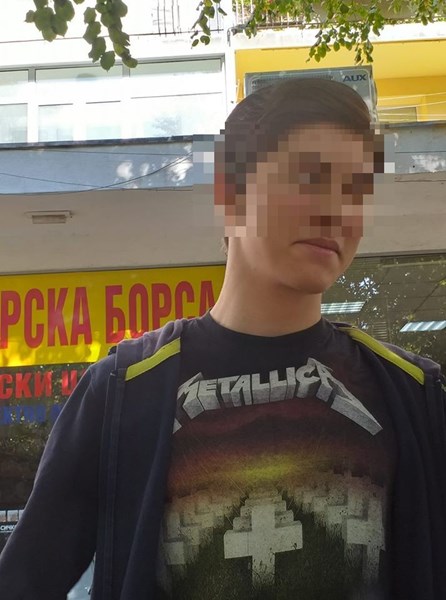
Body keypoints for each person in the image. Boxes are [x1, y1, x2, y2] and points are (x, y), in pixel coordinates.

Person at [0, 78, 445, 600]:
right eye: (310, 178)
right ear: (229, 197)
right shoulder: (124, 390)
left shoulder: (411, 393)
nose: (337, 212)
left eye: (355, 191)